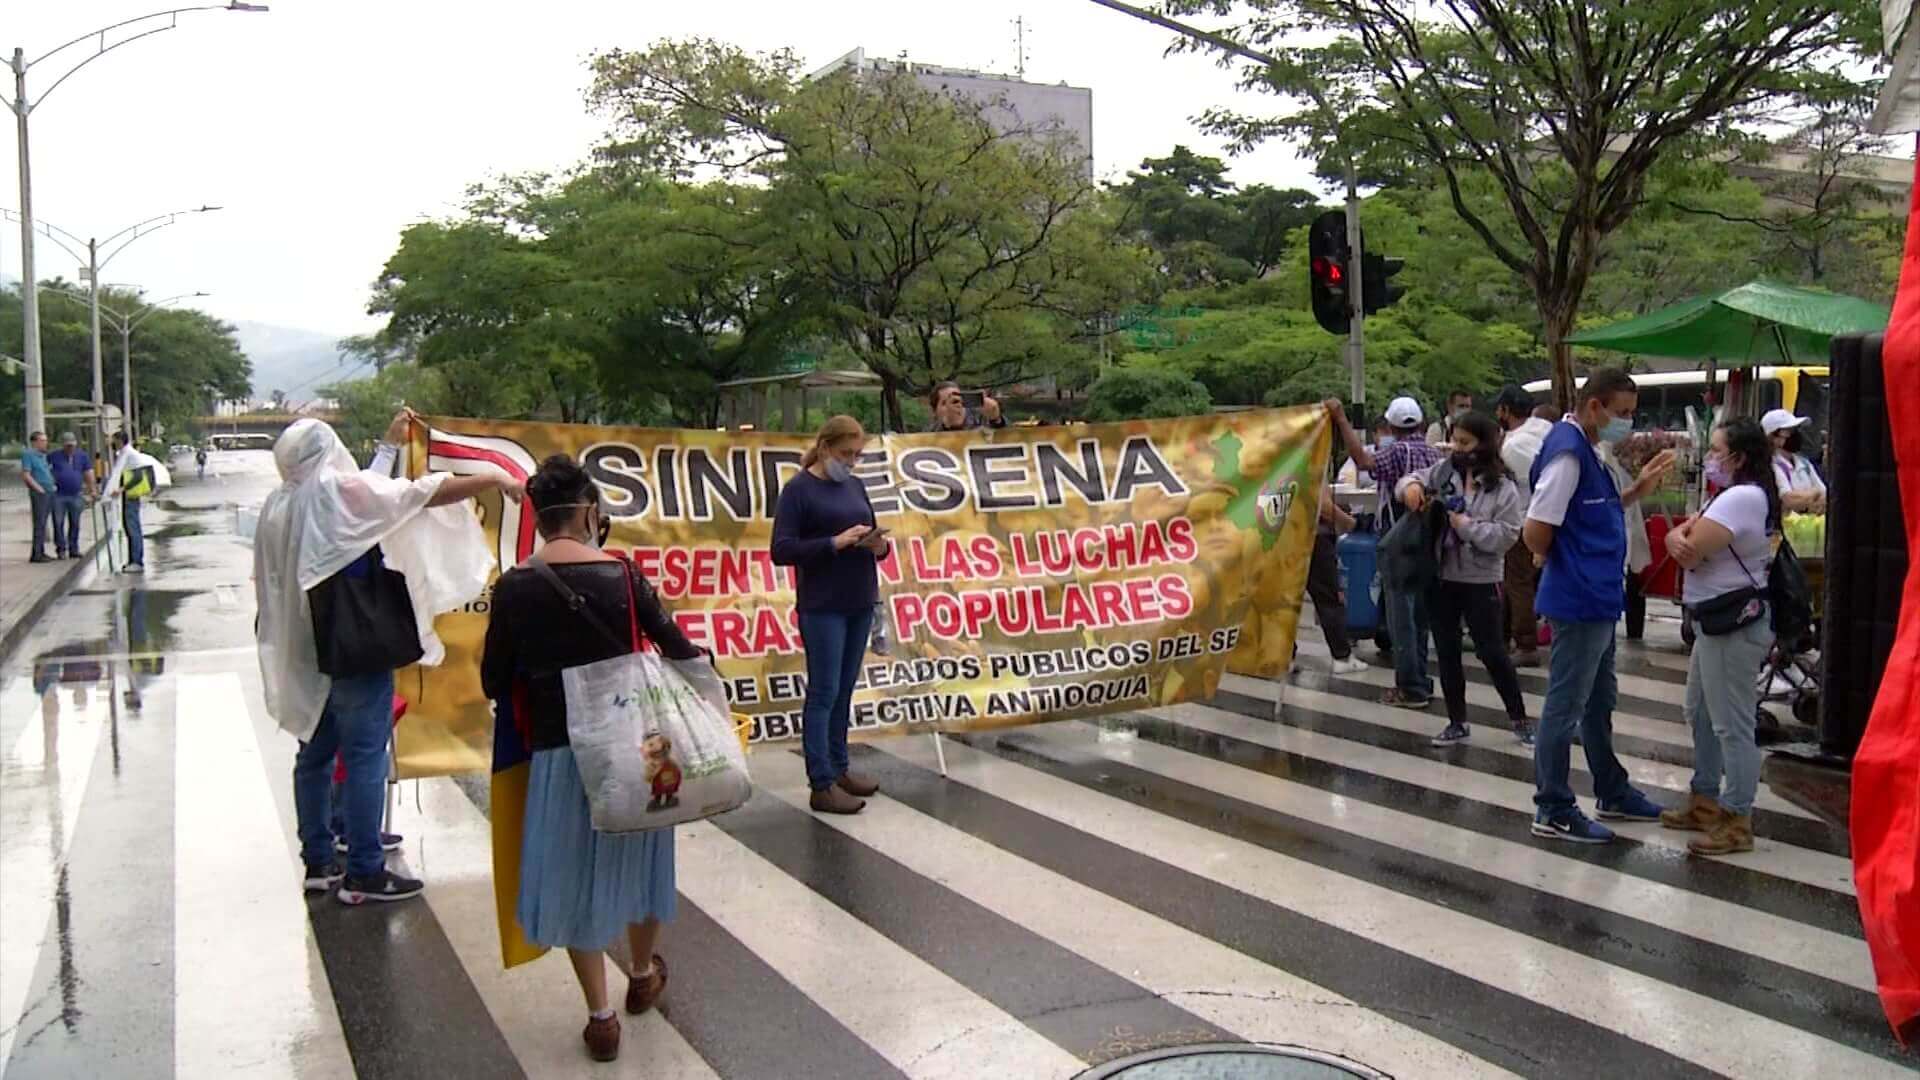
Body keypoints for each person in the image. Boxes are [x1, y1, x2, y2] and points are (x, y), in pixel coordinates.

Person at [255, 411, 520, 905]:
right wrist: (496, 477)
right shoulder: (335, 494)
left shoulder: (281, 502)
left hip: (304, 650)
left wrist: (387, 445)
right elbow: (417, 493)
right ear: (327, 448)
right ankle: (364, 870)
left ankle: (320, 859)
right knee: (364, 758)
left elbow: (369, 495)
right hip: (353, 646)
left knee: (313, 754)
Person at [480, 455, 695, 1062]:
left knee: (574, 875)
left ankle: (600, 1017)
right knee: (647, 860)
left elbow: (494, 680)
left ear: (540, 519)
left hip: (559, 751)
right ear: (588, 512)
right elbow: (679, 649)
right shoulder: (624, 575)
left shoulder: (516, 586)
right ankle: (643, 972)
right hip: (641, 745)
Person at [1523, 369, 1675, 843]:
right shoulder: (1568, 453)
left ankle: (1611, 788)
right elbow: (1537, 528)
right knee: (1565, 706)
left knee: (1599, 701)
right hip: (1579, 598)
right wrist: (1551, 555)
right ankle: (1553, 806)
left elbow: (1589, 512)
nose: (1626, 423)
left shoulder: (1588, 448)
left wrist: (1635, 491)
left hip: (1598, 596)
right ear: (1595, 407)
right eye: (1622, 413)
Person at [1658, 418, 1777, 858]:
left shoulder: (1742, 496)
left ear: (1738, 457)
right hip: (1715, 621)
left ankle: (1736, 817)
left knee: (1732, 723)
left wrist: (1679, 537)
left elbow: (1693, 549)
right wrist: (1677, 535)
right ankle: (1705, 798)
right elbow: (1682, 539)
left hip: (1734, 624)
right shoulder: (1733, 496)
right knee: (1701, 711)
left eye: (1717, 450)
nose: (1710, 458)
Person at [771, 415, 893, 813]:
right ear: (825, 448)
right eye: (846, 454)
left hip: (859, 598)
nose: (852, 462)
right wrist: (833, 543)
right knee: (823, 692)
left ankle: (839, 768)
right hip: (822, 604)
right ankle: (820, 781)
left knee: (844, 690)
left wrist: (877, 547)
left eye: (857, 455)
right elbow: (782, 549)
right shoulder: (799, 491)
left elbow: (874, 531)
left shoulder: (855, 485)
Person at [1397, 412, 1532, 747]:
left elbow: (1507, 535)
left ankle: (1519, 719)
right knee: (1446, 649)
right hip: (1441, 575)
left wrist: (1466, 527)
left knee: (1492, 652)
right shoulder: (1444, 473)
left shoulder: (1503, 487)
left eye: (1465, 442)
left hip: (1481, 579)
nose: (1457, 448)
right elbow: (1409, 480)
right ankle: (1457, 720)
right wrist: (1411, 487)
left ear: (1485, 443)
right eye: (1455, 440)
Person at [1327, 395, 1444, 708]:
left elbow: (1365, 462)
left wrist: (1341, 420)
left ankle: (1411, 688)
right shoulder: (1433, 454)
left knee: (1401, 619)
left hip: (1399, 543)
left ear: (1390, 425)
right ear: (1420, 423)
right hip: (1427, 544)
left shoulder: (1396, 452)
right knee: (1419, 618)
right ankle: (1421, 679)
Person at [1494, 386, 1555, 665]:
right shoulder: (1546, 429)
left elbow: (1533, 479)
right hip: (1547, 515)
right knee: (1513, 580)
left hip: (1525, 518)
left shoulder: (1514, 445)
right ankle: (1503, 635)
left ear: (1505, 411)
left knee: (1518, 582)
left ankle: (1526, 644)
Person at [1307, 481, 1368, 676]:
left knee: (1285, 600)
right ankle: (1342, 656)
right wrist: (1351, 523)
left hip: (1287, 537)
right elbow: (1323, 505)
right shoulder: (1314, 460)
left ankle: (1285, 657)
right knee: (1328, 598)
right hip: (1315, 537)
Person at [103, 431, 157, 572]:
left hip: (130, 496)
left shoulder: (131, 455)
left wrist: (121, 489)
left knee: (133, 528)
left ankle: (137, 562)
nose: (111, 444)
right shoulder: (123, 454)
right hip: (126, 497)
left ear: (120, 440)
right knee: (128, 527)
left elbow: (138, 476)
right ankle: (132, 560)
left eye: (113, 441)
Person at [1762, 409, 1826, 514]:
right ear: (1773, 437)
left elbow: (1825, 494)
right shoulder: (1771, 465)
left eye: (1796, 429)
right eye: (1789, 431)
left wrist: (1809, 498)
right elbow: (1789, 499)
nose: (1795, 434)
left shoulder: (1804, 462)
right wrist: (1815, 493)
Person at [46, 433, 95, 560]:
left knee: (75, 522)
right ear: (63, 445)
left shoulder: (82, 456)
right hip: (59, 495)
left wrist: (92, 490)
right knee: (58, 522)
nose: (70, 448)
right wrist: (50, 482)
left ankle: (74, 548)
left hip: (76, 494)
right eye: (68, 446)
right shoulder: (53, 456)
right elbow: (45, 470)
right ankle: (61, 549)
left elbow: (88, 472)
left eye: (72, 445)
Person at [20, 431, 54, 563]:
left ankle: (41, 550)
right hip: (39, 493)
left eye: (45, 440)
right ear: (35, 442)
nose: (45, 443)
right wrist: (38, 488)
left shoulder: (43, 456)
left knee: (43, 522)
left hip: (48, 491)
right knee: (39, 523)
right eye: (42, 440)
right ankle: (36, 554)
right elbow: (26, 474)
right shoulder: (28, 455)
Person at [928, 382, 1008, 432]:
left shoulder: (981, 423)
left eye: (957, 400)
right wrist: (948, 426)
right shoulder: (929, 434)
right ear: (934, 411)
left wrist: (996, 420)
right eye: (944, 403)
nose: (955, 406)